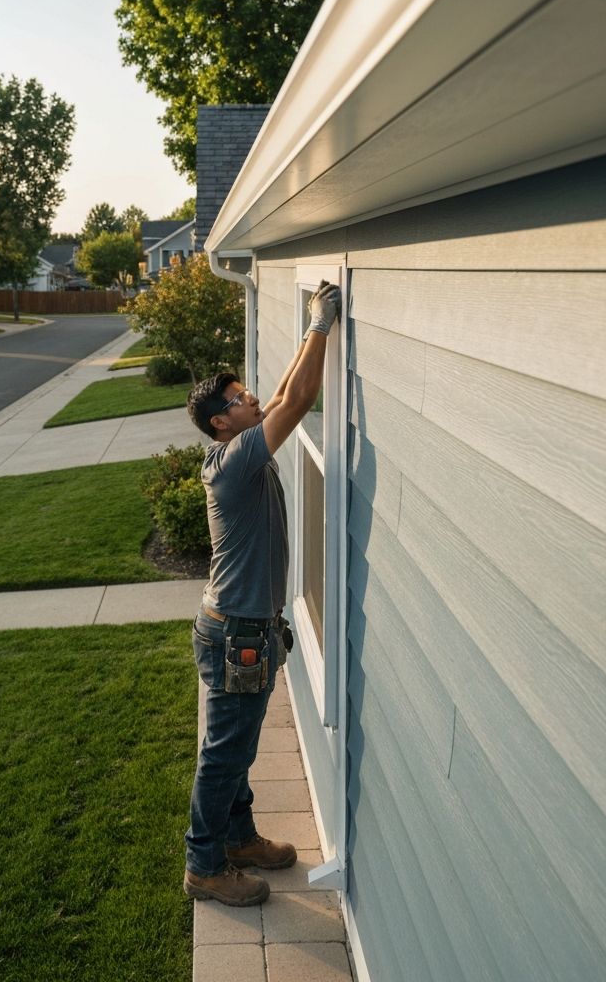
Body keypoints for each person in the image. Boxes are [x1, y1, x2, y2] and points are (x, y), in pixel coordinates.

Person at [182, 281, 341, 907]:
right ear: (223, 422)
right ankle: (204, 866)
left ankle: (240, 838)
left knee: (240, 743)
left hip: (245, 626)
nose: (252, 398)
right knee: (224, 754)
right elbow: (299, 399)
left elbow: (278, 395)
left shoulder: (239, 448)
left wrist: (308, 332)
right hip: (237, 633)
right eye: (238, 398)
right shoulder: (234, 461)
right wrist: (322, 325)